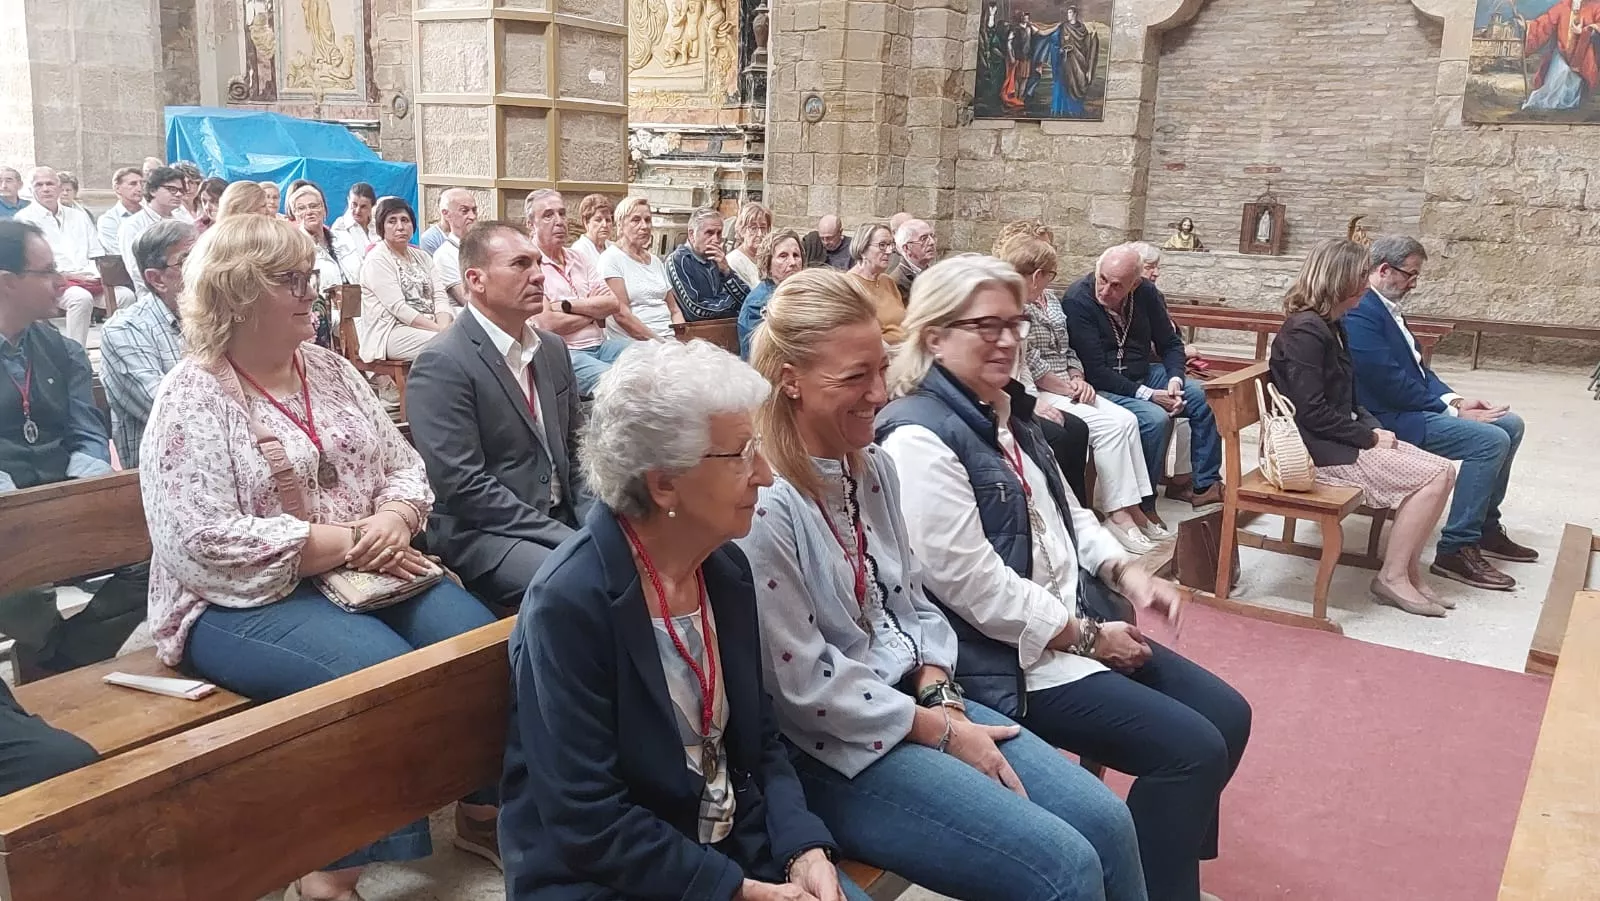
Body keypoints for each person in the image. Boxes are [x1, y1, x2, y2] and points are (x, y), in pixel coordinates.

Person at [737, 267, 1148, 901]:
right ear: (790, 380)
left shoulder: (871, 466)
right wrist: (943, 729)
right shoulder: (768, 502)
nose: (879, 392)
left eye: (881, 367)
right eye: (854, 378)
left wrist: (939, 691)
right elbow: (801, 685)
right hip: (835, 746)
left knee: (1107, 822)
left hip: (918, 702)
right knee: (1064, 870)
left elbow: (912, 603)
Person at [140, 215, 499, 899]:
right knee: (379, 676)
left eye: (312, 276)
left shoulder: (331, 369)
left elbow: (402, 462)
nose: (313, 292)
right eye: (290, 280)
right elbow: (196, 536)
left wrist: (396, 515)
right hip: (237, 596)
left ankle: (481, 808)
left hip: (369, 566)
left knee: (478, 646)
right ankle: (328, 872)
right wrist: (341, 541)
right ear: (235, 292)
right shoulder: (192, 394)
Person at [877, 254, 1250, 901]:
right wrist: (1087, 636)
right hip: (1002, 662)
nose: (1007, 339)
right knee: (1191, 751)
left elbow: (1067, 510)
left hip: (1067, 632)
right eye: (983, 325)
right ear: (933, 335)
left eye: (1013, 323)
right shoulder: (918, 436)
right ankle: (1154, 883)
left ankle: (1159, 868)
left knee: (1228, 715)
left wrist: (1127, 571)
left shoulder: (1002, 409)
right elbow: (975, 586)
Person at [501, 339, 868, 901]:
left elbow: (761, 742)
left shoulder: (724, 569)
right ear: (663, 481)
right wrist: (737, 890)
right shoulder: (569, 604)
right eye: (743, 454)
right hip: (615, 878)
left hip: (727, 848)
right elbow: (588, 819)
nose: (766, 476)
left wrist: (802, 847)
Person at [408, 221, 589, 615]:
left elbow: (579, 450)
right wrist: (569, 538)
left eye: (538, 263)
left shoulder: (552, 349)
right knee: (577, 580)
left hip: (559, 514)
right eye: (520, 264)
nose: (539, 275)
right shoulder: (443, 363)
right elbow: (464, 486)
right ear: (476, 280)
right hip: (483, 533)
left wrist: (596, 523)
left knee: (654, 550)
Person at [1270, 239, 1456, 618]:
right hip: (1314, 451)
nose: (1365, 282)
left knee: (1443, 470)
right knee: (1436, 475)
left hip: (1337, 437)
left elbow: (1352, 398)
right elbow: (1311, 412)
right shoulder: (1306, 330)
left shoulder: (1331, 325)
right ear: (1341, 279)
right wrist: (1369, 437)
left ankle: (1406, 570)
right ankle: (1391, 577)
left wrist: (1374, 430)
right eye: (1360, 275)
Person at [1345, 235, 1537, 591]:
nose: (1414, 283)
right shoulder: (1361, 312)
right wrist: (1449, 412)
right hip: (1386, 419)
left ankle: (1483, 528)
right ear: (1384, 269)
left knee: (1511, 424)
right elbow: (1388, 381)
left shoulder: (1385, 306)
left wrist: (1456, 401)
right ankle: (1456, 548)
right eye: (1410, 275)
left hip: (1406, 408)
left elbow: (1418, 370)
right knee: (1490, 440)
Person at [0, 220, 145, 679]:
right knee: (18, 582)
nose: (61, 283)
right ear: (7, 283)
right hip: (4, 515)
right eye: (46, 272)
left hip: (60, 499)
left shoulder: (62, 349)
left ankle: (59, 656)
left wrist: (87, 482)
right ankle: (45, 650)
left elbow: (86, 431)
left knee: (155, 553)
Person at [999, 235, 1167, 553]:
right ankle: (1117, 515)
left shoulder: (1048, 297)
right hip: (1042, 388)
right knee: (1110, 428)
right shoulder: (1014, 303)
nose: (1052, 280)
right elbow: (1030, 358)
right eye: (1050, 274)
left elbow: (1068, 345)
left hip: (1069, 382)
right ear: (1037, 275)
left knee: (1128, 420)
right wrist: (1064, 387)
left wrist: (1077, 374)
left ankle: (1134, 508)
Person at [1063, 244, 1223, 511]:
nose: (1105, 291)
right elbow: (1096, 371)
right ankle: (1143, 503)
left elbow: (1170, 344)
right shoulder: (1078, 300)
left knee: (1205, 396)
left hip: (1143, 372)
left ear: (1134, 284)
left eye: (1117, 286)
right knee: (1153, 418)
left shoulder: (1146, 293)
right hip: (1103, 383)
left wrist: (1175, 379)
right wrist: (1150, 396)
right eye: (1103, 280)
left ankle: (1205, 486)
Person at [100, 219, 195, 468]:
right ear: (157, 279)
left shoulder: (221, 317)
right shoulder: (125, 330)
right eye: (188, 261)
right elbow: (172, 413)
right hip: (164, 473)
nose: (205, 269)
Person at [523, 189, 635, 394]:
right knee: (619, 385)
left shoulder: (579, 258)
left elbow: (612, 303)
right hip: (566, 353)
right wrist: (593, 314)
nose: (559, 221)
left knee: (653, 358)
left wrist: (566, 306)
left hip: (602, 346)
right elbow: (547, 324)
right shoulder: (529, 265)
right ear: (531, 225)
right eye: (548, 215)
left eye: (562, 213)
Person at [15, 167, 125, 348]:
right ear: (31, 190)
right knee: (80, 298)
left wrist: (98, 276)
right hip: (52, 283)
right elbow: (30, 265)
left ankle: (118, 349)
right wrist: (69, 277)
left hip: (90, 278)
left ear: (59, 188)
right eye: (39, 185)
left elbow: (96, 253)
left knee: (126, 296)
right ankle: (76, 353)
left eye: (50, 184)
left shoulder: (79, 217)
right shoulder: (24, 219)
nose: (45, 189)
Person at [357, 197, 454, 363]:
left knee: (474, 335)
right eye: (392, 221)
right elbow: (399, 308)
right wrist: (440, 331)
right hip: (393, 331)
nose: (400, 227)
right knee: (450, 345)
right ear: (381, 227)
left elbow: (440, 296)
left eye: (405, 220)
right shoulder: (377, 260)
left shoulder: (422, 257)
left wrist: (444, 327)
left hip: (432, 325)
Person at [598, 196, 680, 340]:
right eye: (636, 220)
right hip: (636, 343)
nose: (644, 226)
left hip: (669, 339)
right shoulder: (611, 259)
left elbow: (674, 310)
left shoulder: (655, 261)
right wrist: (660, 343)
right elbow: (622, 315)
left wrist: (681, 339)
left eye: (647, 220)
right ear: (621, 225)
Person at [666, 207, 749, 322]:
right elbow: (695, 310)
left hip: (723, 328)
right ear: (691, 234)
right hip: (693, 333)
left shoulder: (716, 260)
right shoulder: (679, 260)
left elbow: (746, 300)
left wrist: (726, 271)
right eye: (709, 233)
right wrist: (731, 302)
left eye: (719, 233)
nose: (715, 239)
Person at [119, 165, 187, 297]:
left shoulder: (183, 221)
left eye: (181, 190)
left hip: (186, 289)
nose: (178, 194)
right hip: (152, 294)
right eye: (171, 189)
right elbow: (135, 270)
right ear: (153, 191)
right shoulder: (133, 225)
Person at [737, 228, 803, 359]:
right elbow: (763, 356)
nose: (793, 263)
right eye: (783, 256)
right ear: (768, 264)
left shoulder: (802, 293)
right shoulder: (757, 305)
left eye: (796, 255)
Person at [287, 183, 361, 287]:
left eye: (313, 206)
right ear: (295, 214)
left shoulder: (344, 237)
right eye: (301, 208)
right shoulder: (295, 249)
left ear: (324, 209)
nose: (309, 212)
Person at [845, 222, 906, 344]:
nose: (889, 251)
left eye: (890, 245)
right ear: (862, 249)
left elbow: (902, 322)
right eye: (882, 245)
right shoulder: (849, 286)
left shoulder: (887, 281)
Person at [431, 188, 479, 304]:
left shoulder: (483, 246)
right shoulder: (444, 255)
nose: (472, 216)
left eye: (474, 210)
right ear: (446, 214)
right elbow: (468, 301)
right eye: (464, 211)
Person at [725, 200, 771, 287]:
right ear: (742, 230)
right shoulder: (734, 261)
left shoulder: (768, 257)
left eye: (763, 227)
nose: (760, 234)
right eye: (753, 228)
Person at [98, 167, 145, 251]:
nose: (140, 188)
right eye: (133, 184)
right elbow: (117, 251)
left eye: (142, 184)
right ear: (117, 188)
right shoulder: (109, 220)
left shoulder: (150, 214)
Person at [330, 182, 379, 256]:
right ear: (348, 200)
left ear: (372, 206)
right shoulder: (340, 227)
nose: (357, 211)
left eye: (363, 207)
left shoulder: (378, 226)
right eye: (354, 205)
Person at [891, 218, 935, 298]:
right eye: (924, 238)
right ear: (907, 248)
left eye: (932, 236)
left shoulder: (935, 273)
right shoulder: (896, 282)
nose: (932, 242)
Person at [569, 192, 613, 267]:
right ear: (586, 222)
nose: (605, 225)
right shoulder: (579, 250)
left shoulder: (612, 247)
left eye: (608, 220)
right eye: (598, 220)